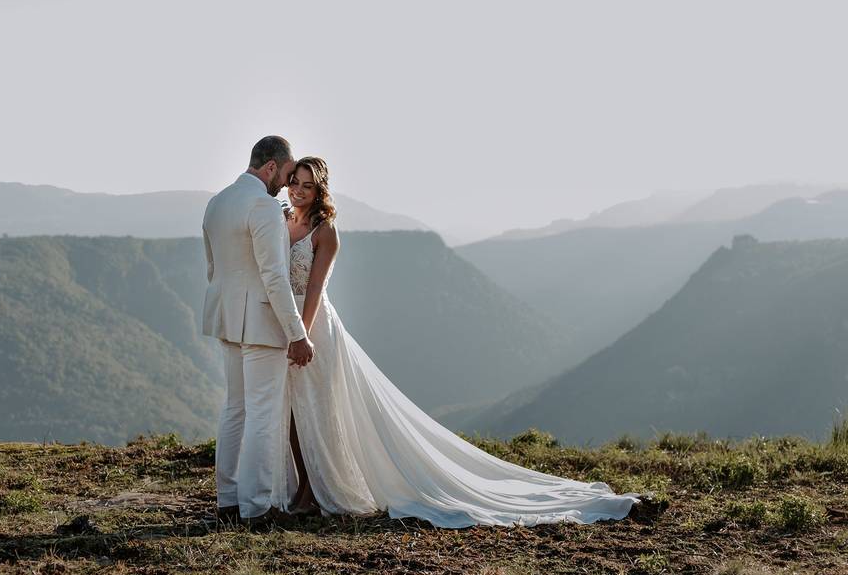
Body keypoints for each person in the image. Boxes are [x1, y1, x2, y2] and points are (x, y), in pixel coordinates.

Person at [280, 156, 642, 527]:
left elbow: (315, 289)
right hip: (283, 325)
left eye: (307, 185)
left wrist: (302, 335)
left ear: (319, 189)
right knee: (293, 410)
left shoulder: (326, 232)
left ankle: (313, 491)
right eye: (295, 182)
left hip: (313, 327)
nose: (298, 190)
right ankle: (298, 488)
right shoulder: (284, 220)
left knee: (319, 410)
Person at [201, 136, 315, 526]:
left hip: (227, 317)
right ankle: (257, 507)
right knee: (263, 415)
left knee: (235, 409)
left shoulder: (217, 202)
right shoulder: (264, 207)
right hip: (262, 322)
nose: (286, 185)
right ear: (271, 167)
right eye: (285, 176)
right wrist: (297, 332)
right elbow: (274, 276)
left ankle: (228, 501)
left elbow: (213, 267)